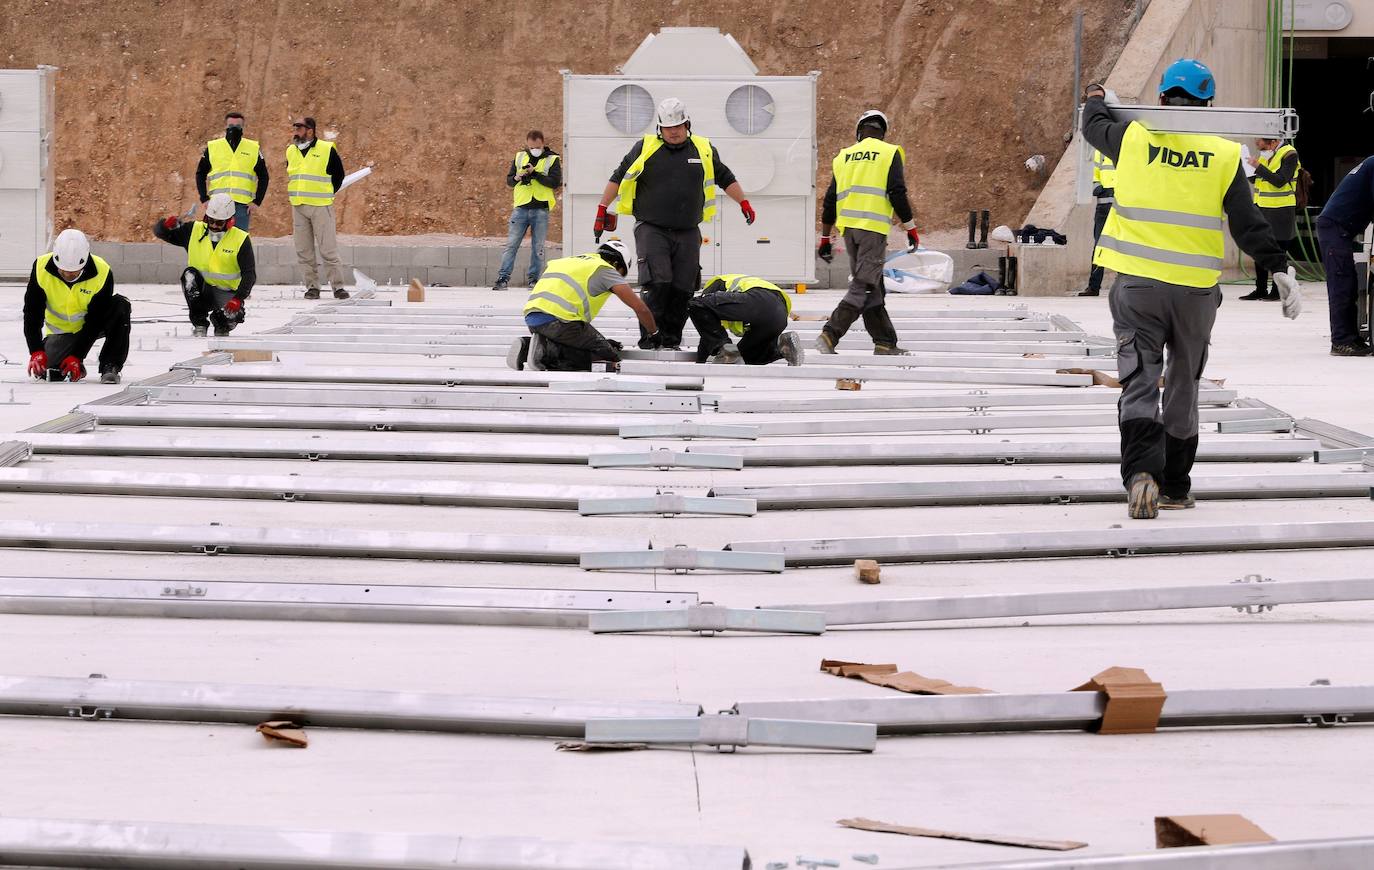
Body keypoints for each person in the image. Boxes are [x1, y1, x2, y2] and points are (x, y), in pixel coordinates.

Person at [1083, 59, 1299, 520]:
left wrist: (1099, 96)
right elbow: (1246, 221)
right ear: (1209, 106)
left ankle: (1142, 473)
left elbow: (1093, 124)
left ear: (1161, 100)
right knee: (1183, 383)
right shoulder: (1223, 155)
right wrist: (1279, 267)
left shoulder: (1133, 138)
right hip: (1196, 295)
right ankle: (1176, 487)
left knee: (1140, 378)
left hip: (1138, 286)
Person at [596, 97, 755, 350]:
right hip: (652, 227)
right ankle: (651, 337)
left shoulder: (702, 149)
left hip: (688, 230)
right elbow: (618, 177)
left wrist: (743, 202)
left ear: (687, 124)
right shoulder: (644, 148)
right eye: (668, 128)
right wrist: (602, 208)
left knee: (683, 288)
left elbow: (725, 177)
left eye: (678, 126)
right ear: (659, 128)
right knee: (658, 283)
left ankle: (671, 340)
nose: (673, 131)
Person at [814, 109, 920, 355]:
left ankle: (885, 342)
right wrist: (910, 228)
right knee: (863, 285)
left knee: (873, 286)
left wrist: (825, 237)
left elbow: (830, 199)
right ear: (883, 132)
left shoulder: (844, 156)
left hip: (850, 231)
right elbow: (897, 192)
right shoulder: (888, 152)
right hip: (872, 230)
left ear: (859, 130)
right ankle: (831, 333)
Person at [507, 240, 658, 372]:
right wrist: (654, 333)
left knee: (589, 347)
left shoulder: (570, 261)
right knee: (610, 359)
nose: (618, 277)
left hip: (534, 318)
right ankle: (546, 353)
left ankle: (529, 346)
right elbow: (640, 308)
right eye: (621, 273)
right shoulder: (605, 269)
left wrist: (603, 342)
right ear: (616, 264)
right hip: (561, 322)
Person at [23, 228, 130, 384]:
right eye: (64, 271)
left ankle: (110, 365)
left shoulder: (102, 271)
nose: (68, 276)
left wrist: (77, 355)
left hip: (94, 326)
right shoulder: (40, 268)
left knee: (120, 306)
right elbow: (32, 313)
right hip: (62, 332)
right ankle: (74, 366)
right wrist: (36, 350)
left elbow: (95, 320)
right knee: (50, 373)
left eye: (73, 273)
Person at [154, 193, 256, 337]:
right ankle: (200, 323)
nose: (214, 226)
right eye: (211, 221)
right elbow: (161, 233)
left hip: (227, 294)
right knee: (189, 276)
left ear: (230, 221)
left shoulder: (240, 239)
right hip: (202, 292)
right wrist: (164, 225)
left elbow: (249, 274)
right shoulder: (194, 231)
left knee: (234, 315)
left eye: (219, 223)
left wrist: (238, 299)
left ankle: (220, 323)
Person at [1316, 154, 1374, 355]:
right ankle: (1341, 341)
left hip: (1340, 228)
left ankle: (1352, 338)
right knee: (1342, 285)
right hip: (1335, 228)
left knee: (1348, 284)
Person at [287, 116, 349, 299]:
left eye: (299, 127)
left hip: (321, 206)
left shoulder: (326, 149)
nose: (295, 131)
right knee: (304, 251)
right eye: (295, 127)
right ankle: (312, 287)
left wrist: (327, 193)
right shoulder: (291, 151)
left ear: (310, 130)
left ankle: (338, 287)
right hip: (298, 206)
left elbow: (339, 175)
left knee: (328, 250)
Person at [493, 130, 562, 292]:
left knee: (537, 247)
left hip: (540, 209)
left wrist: (535, 173)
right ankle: (503, 278)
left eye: (537, 147)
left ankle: (534, 279)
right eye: (531, 147)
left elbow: (554, 182)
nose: (534, 149)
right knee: (511, 245)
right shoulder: (519, 157)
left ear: (543, 143)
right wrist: (517, 177)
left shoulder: (552, 159)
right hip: (521, 208)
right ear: (527, 144)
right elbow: (509, 181)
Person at [687, 274, 805, 366]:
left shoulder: (714, 286)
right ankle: (781, 346)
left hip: (758, 299)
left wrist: (701, 361)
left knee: (695, 304)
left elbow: (707, 332)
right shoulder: (739, 288)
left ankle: (726, 351)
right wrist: (701, 363)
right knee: (745, 357)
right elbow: (709, 334)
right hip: (779, 314)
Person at [1241, 136, 1301, 301]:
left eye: (1260, 141)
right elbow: (1258, 179)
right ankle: (1260, 289)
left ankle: (1277, 290)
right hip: (1261, 207)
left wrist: (1258, 167)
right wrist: (1247, 169)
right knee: (1259, 248)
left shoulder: (1289, 154)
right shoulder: (1266, 153)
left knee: (1278, 250)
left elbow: (1280, 181)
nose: (1257, 144)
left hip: (1281, 210)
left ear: (1273, 141)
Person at [195, 111, 268, 232]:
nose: (234, 129)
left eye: (238, 127)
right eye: (230, 126)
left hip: (241, 207)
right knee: (216, 241)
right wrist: (204, 198)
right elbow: (200, 173)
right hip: (217, 205)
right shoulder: (213, 147)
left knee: (238, 244)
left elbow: (264, 176)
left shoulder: (253, 148)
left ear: (243, 128)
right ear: (225, 127)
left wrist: (257, 201)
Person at [1075, 148, 1116, 296]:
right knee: (1099, 247)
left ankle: (1124, 285)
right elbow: (1092, 177)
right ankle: (1093, 287)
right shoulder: (1100, 152)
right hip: (1104, 208)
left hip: (1122, 208)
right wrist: (1103, 189)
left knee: (1124, 246)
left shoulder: (1126, 147)